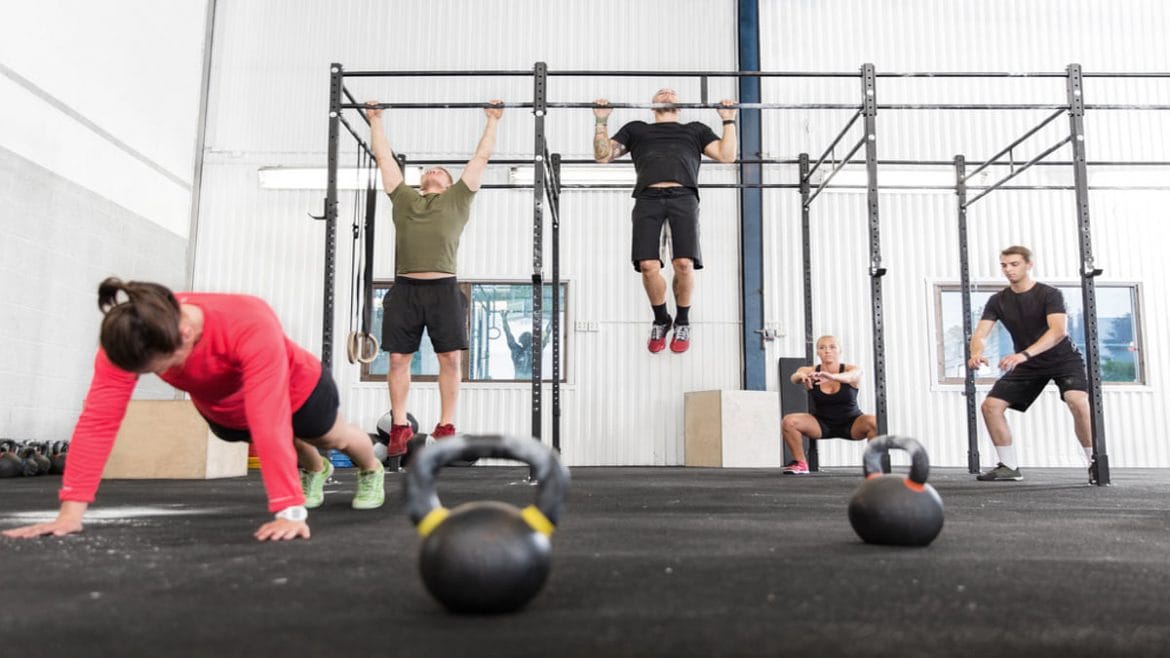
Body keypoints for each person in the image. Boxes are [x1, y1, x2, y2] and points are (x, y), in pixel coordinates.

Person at [2, 278, 384, 543]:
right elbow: (98, 422)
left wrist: (289, 510)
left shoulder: (247, 321)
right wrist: (70, 514)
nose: (161, 374)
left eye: (161, 368)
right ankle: (315, 468)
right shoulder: (128, 339)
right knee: (264, 434)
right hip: (227, 411)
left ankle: (370, 469)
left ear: (185, 333)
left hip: (298, 388)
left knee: (328, 435)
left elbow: (269, 417)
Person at [367, 100, 502, 456]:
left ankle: (445, 425)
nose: (434, 171)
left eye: (440, 170)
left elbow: (480, 159)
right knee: (398, 359)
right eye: (429, 169)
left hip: (443, 288)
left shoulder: (458, 199)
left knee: (451, 359)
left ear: (449, 182)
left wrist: (492, 120)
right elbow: (384, 159)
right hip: (406, 288)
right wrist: (376, 121)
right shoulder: (404, 198)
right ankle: (399, 426)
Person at [592, 89, 737, 354]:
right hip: (648, 197)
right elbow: (602, 156)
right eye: (661, 93)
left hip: (683, 196)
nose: (667, 94)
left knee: (683, 264)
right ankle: (661, 319)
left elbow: (727, 156)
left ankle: (682, 320)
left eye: (671, 93)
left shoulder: (695, 130)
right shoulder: (637, 130)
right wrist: (601, 120)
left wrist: (728, 120)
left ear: (679, 106)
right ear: (652, 105)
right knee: (648, 265)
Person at [968, 245, 1095, 483]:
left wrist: (1023, 355)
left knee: (1077, 401)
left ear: (1029, 265)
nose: (1008, 270)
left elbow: (1058, 332)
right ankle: (1008, 466)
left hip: (1062, 359)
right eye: (1004, 265)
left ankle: (1094, 463)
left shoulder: (1049, 294)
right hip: (1028, 363)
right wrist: (976, 352)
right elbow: (980, 334)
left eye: (1014, 264)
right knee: (991, 407)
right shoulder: (997, 300)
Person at [780, 335, 878, 475]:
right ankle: (801, 463)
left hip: (851, 423)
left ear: (839, 350)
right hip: (821, 424)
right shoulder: (810, 370)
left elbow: (852, 376)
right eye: (822, 347)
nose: (827, 351)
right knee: (789, 421)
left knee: (874, 421)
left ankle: (873, 465)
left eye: (832, 347)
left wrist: (831, 377)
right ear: (818, 352)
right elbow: (795, 376)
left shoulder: (851, 369)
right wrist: (802, 377)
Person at [500, 309, 551, 380]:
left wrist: (504, 319)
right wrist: (552, 319)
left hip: (521, 378)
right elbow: (547, 332)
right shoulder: (534, 350)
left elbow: (508, 333)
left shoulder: (516, 349)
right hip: (528, 378)